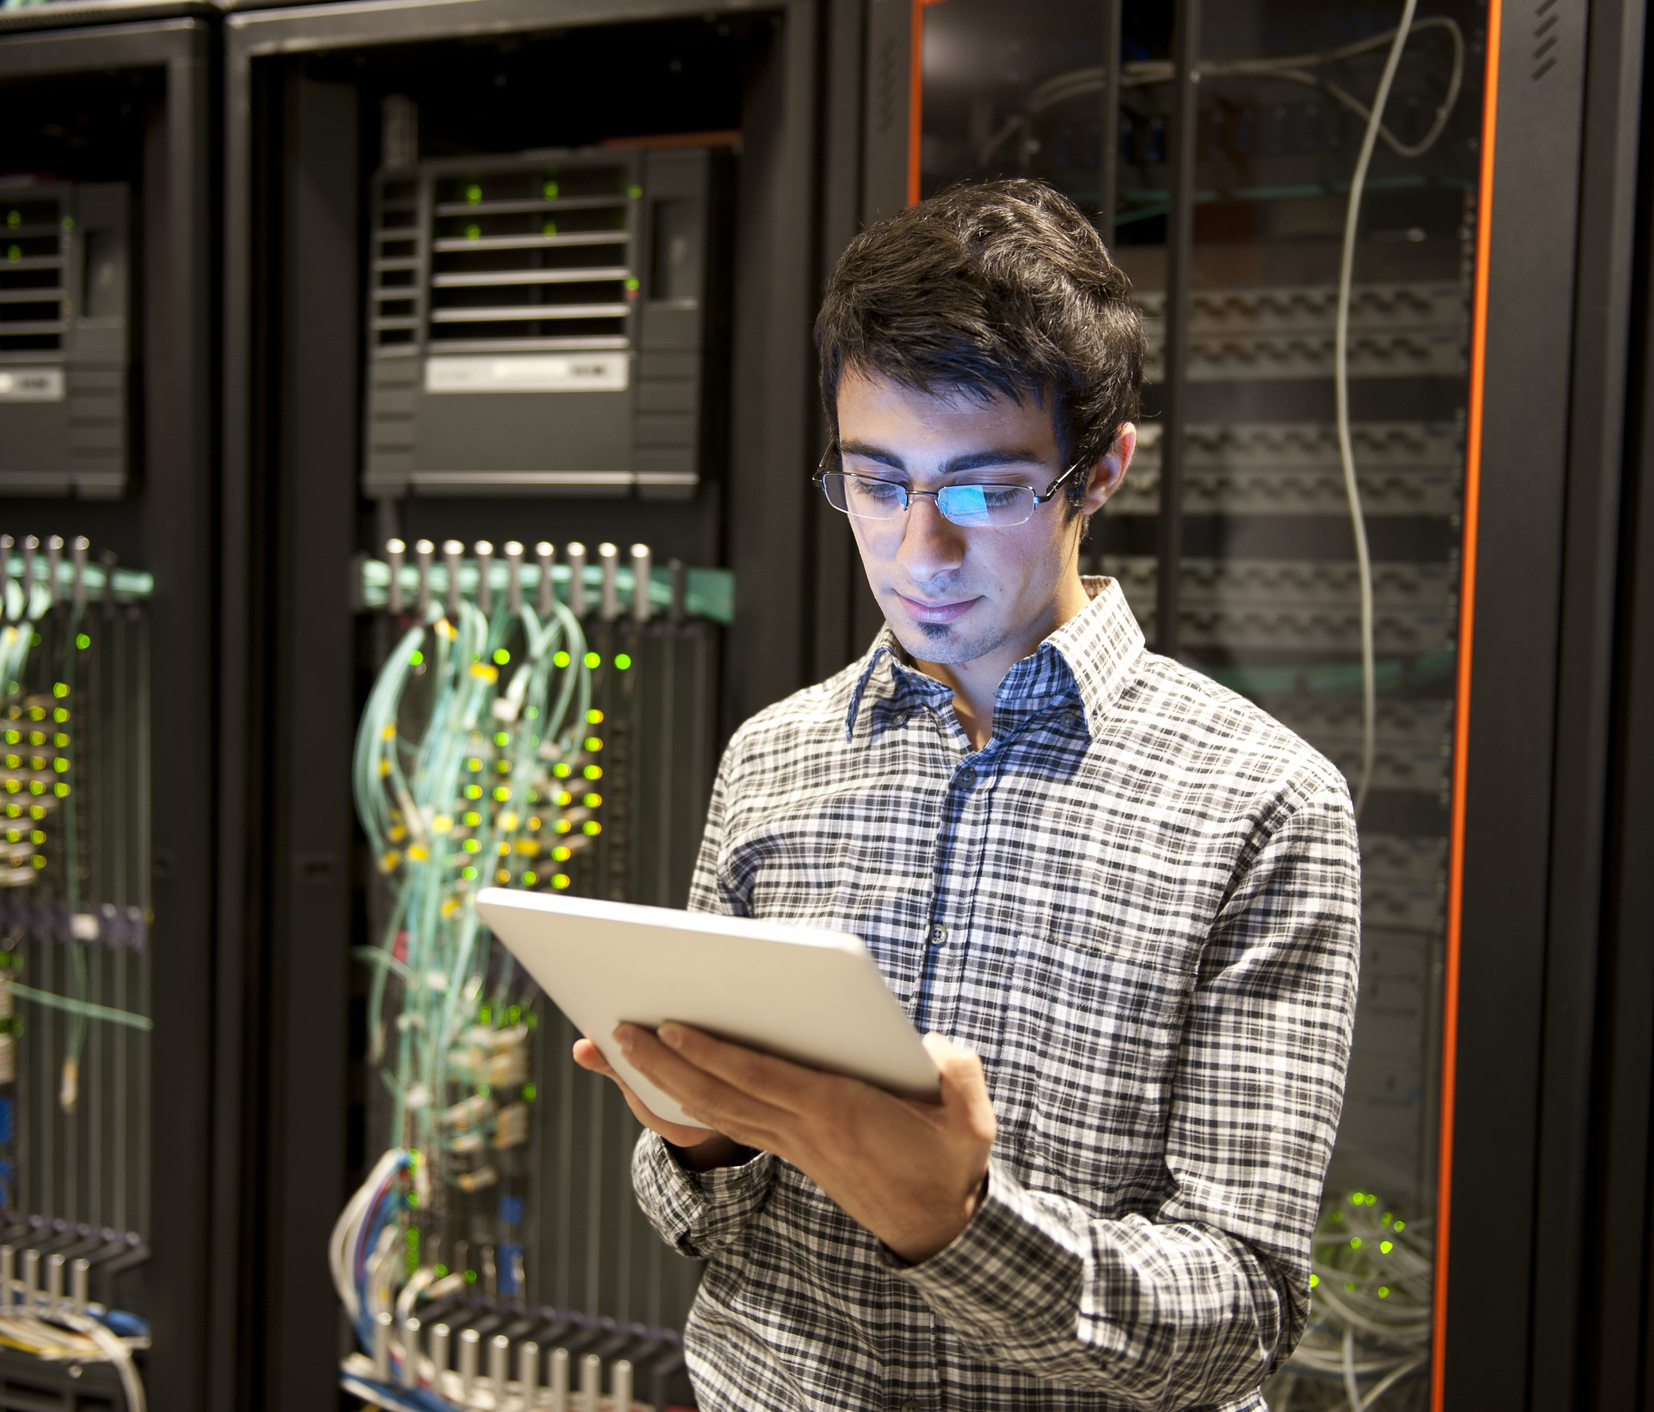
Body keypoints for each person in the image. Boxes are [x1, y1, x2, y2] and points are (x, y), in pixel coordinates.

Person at [571, 179, 1359, 1411]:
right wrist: (701, 1134)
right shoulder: (772, 760)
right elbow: (706, 1232)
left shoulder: (1260, 802)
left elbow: (1241, 1313)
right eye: (877, 484)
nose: (917, 550)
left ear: (1099, 472)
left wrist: (951, 1218)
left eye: (983, 489)